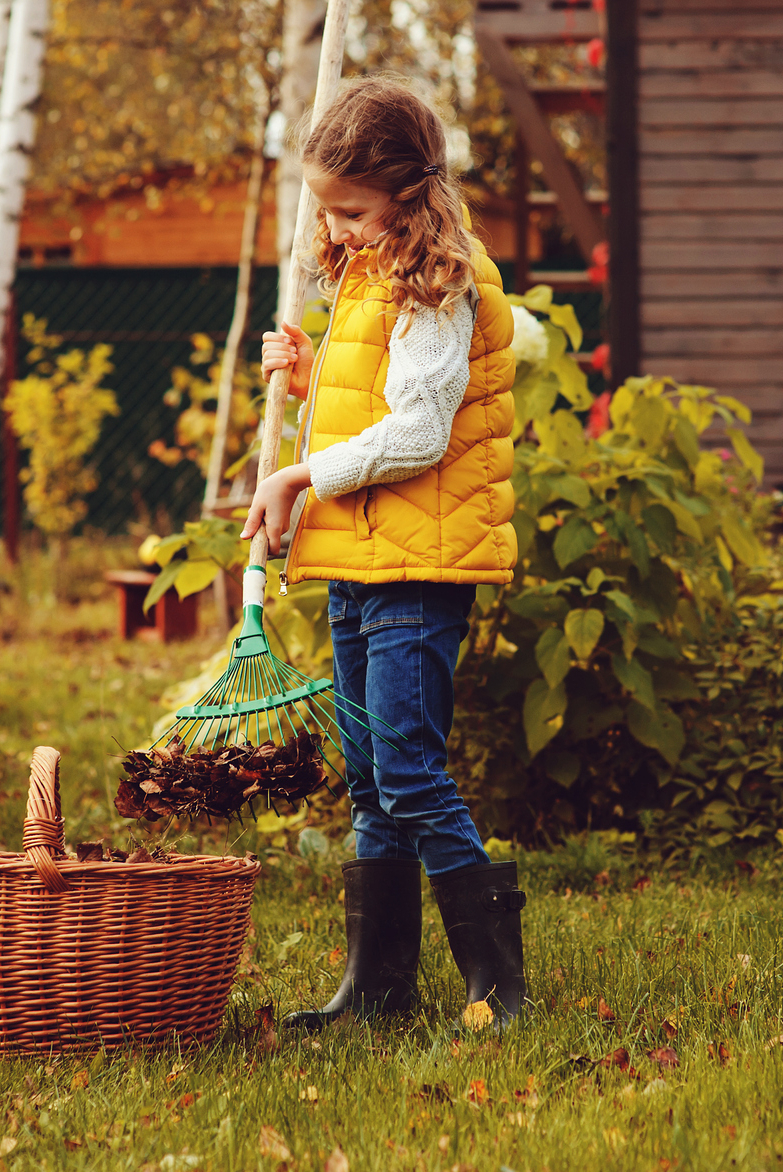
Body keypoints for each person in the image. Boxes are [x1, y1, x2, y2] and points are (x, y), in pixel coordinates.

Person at [242, 76, 526, 1031]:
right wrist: (313, 372)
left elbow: (419, 432)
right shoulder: (371, 273)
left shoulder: (438, 280)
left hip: (419, 564)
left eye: (353, 210)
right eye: (327, 210)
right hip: (363, 561)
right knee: (369, 773)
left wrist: (297, 480)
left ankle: (498, 985)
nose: (340, 228)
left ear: (408, 192)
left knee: (407, 765)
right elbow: (373, 401)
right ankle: (379, 988)